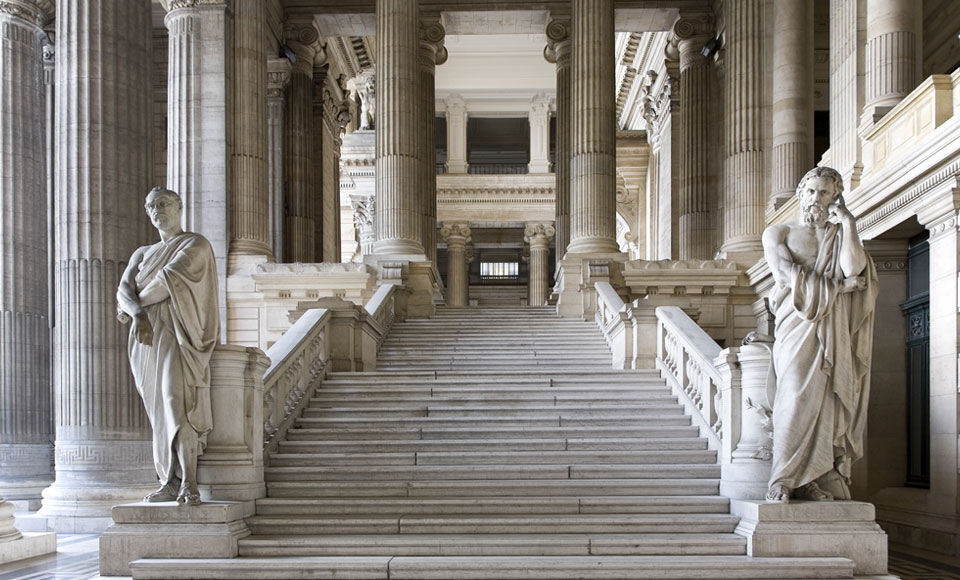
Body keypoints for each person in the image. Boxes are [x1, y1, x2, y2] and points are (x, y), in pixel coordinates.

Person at [761, 167, 878, 503]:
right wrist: (840, 288)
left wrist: (849, 224)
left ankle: (810, 477)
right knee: (794, 393)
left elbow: (854, 268)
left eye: (825, 192)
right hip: (796, 323)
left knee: (826, 400)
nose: (816, 198)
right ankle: (782, 479)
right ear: (801, 193)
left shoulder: (839, 235)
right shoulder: (779, 232)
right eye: (811, 191)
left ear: (835, 197)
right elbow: (785, 274)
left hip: (832, 326)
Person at [117, 187, 220, 506]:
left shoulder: (195, 244)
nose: (156, 210)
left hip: (179, 334)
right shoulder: (142, 253)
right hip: (146, 337)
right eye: (150, 206)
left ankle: (189, 482)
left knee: (176, 403)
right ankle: (169, 481)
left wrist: (134, 305)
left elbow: (167, 281)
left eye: (163, 204)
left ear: (179, 207)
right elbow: (122, 290)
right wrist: (137, 314)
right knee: (158, 412)